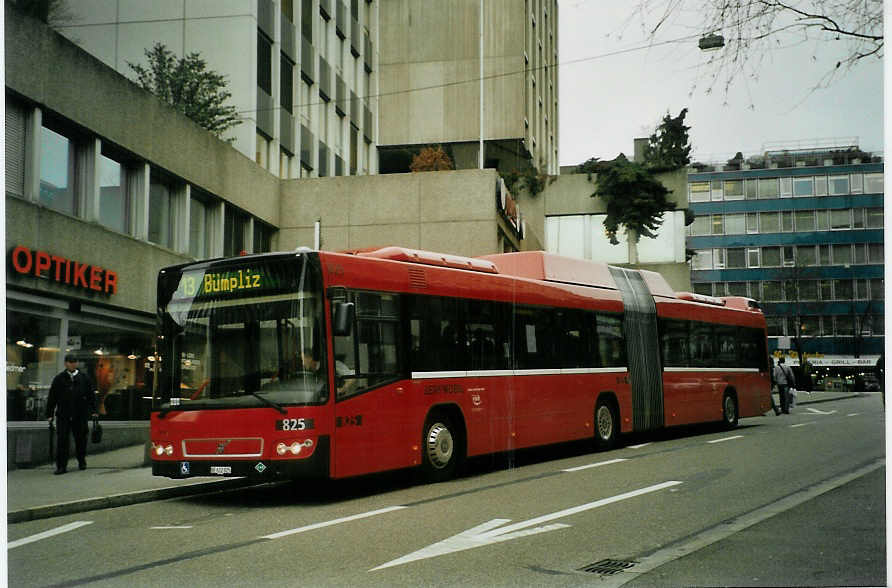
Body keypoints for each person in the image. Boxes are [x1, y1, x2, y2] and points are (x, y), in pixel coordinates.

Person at [46, 355, 98, 474]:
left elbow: (91, 395)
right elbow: (52, 397)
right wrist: (49, 413)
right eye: (70, 362)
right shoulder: (59, 378)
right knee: (62, 440)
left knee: (81, 439)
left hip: (80, 414)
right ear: (65, 364)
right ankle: (61, 466)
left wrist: (94, 410)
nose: (73, 364)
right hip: (63, 414)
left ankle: (81, 460)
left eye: (74, 362)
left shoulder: (84, 378)